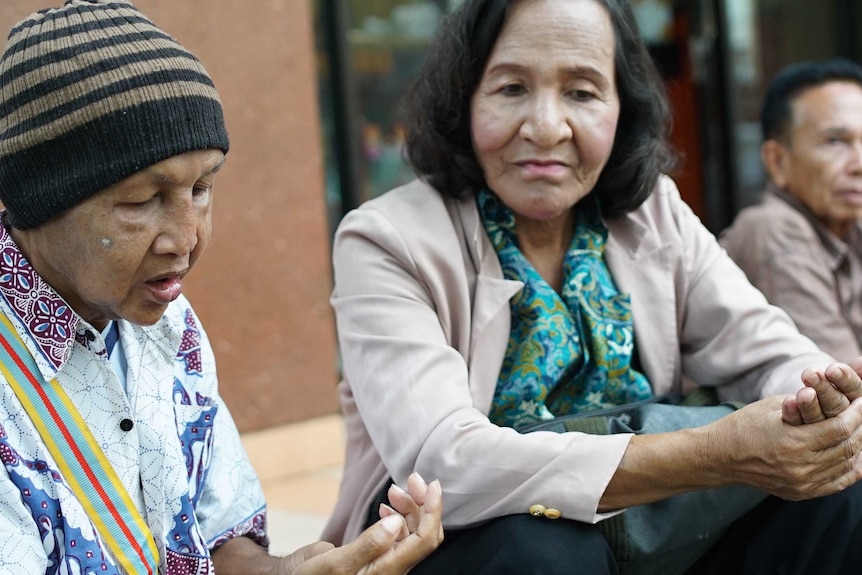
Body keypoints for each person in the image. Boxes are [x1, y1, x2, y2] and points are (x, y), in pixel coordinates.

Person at [321, 0, 862, 573]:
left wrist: (823, 410)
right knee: (544, 550)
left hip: (657, 531)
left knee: (838, 493)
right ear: (465, 99)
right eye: (510, 89)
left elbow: (765, 345)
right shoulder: (386, 239)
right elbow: (444, 464)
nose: (546, 126)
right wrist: (718, 452)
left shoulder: (652, 210)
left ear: (621, 109)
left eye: (581, 92)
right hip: (473, 547)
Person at [0, 1, 442, 574]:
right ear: (39, 202)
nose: (187, 237)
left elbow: (218, 540)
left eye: (203, 189)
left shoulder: (171, 324)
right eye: (142, 201)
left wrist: (288, 571)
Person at [720, 59, 862, 361]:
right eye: (836, 141)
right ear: (777, 161)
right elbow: (847, 381)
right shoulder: (774, 229)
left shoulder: (850, 225)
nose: (859, 164)